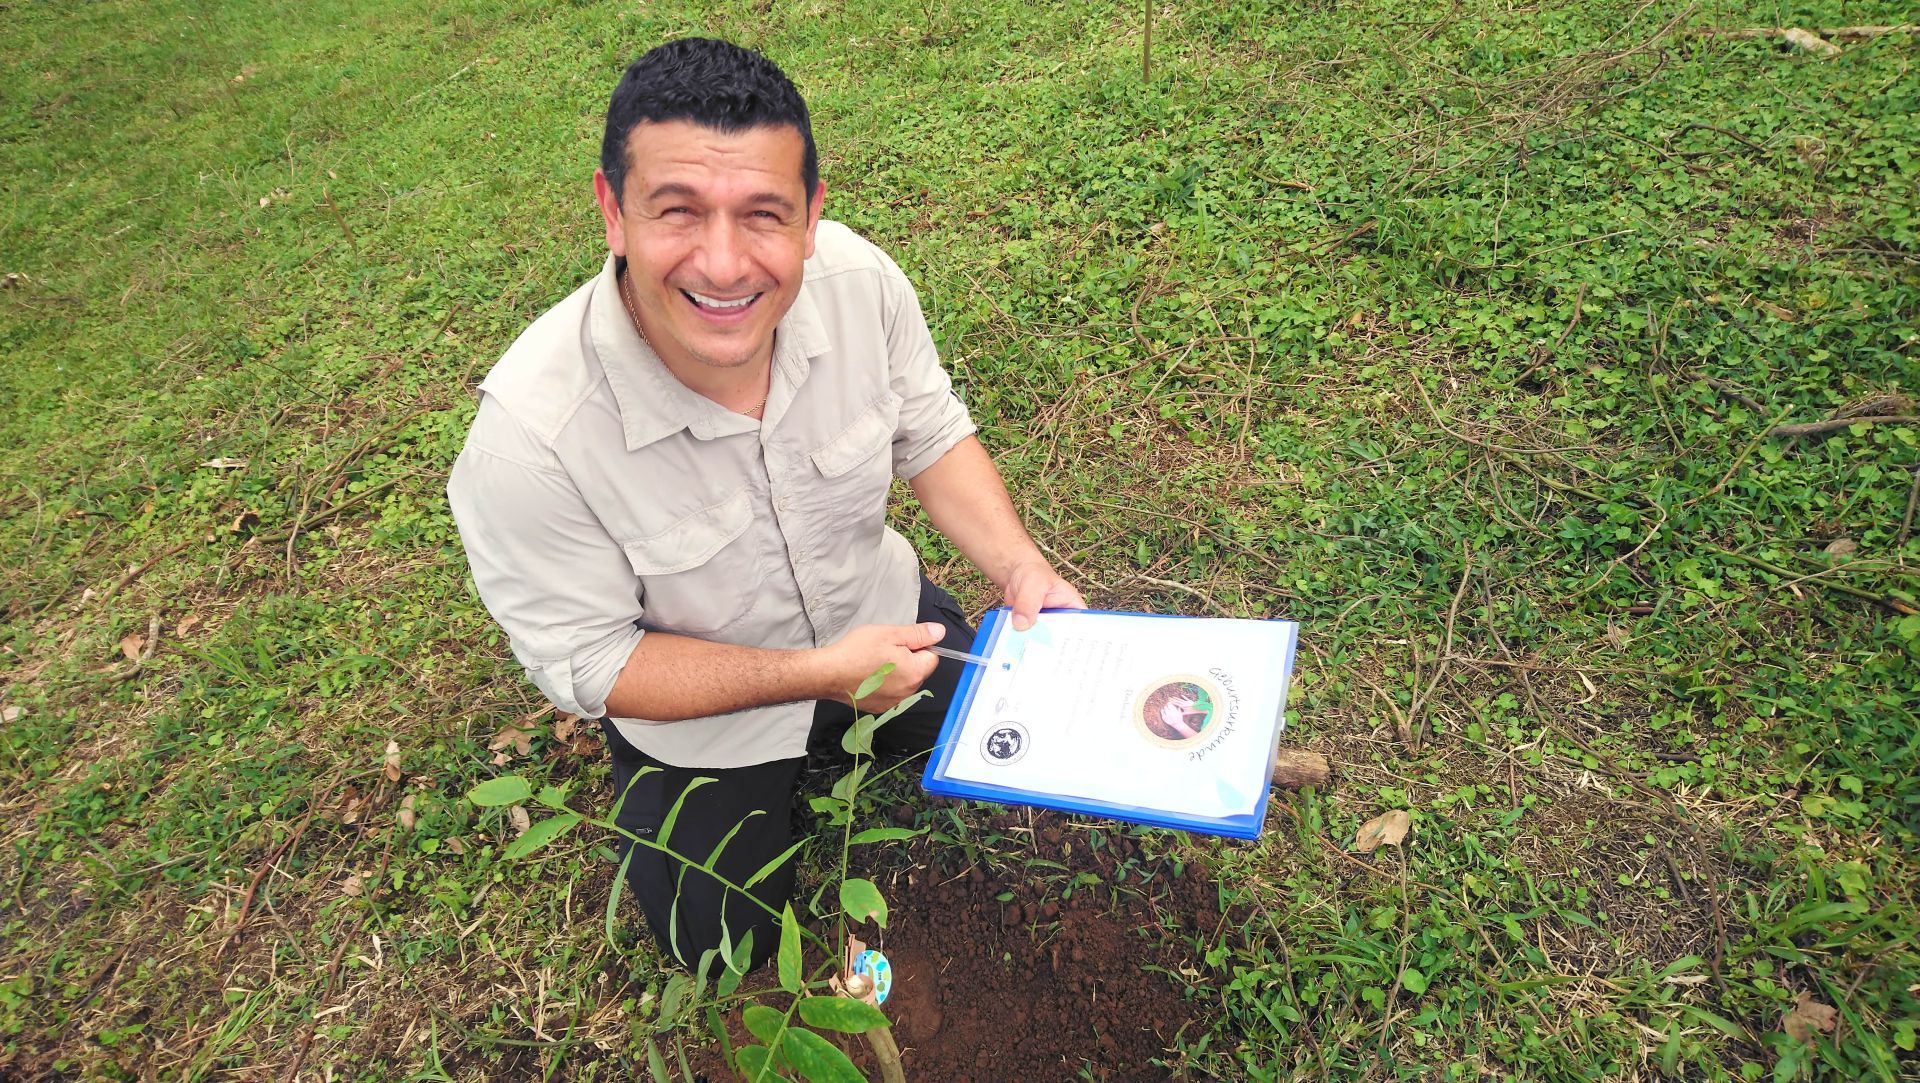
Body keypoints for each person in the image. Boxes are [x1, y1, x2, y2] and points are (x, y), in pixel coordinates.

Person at [446, 37, 1084, 972]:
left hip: (880, 620)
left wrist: (1021, 566)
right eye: (678, 210)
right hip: (706, 720)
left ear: (812, 215)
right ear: (613, 212)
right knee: (718, 950)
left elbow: (932, 434)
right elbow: (594, 661)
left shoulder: (862, 285)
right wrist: (818, 674)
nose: (723, 263)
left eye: (763, 215)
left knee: (1033, 742)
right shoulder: (530, 441)